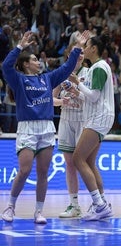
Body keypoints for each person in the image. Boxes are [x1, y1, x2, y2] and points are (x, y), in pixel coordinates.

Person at [1, 30, 86, 224]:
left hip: (47, 128)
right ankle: (10, 207)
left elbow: (66, 69)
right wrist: (20, 47)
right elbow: (6, 66)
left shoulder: (47, 78)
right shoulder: (19, 80)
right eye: (34, 59)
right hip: (27, 128)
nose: (38, 61)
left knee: (42, 172)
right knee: (24, 170)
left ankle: (38, 211)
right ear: (25, 64)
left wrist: (77, 48)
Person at [67, 33, 114, 221]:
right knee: (89, 161)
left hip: (99, 117)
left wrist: (78, 83)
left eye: (86, 46)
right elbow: (91, 96)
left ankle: (99, 205)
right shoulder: (99, 67)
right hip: (100, 116)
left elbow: (94, 96)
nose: (83, 49)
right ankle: (101, 202)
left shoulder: (99, 67)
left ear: (94, 49)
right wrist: (76, 91)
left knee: (78, 159)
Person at [52, 44, 88, 218]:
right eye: (77, 52)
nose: (80, 55)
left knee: (86, 163)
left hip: (83, 119)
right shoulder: (61, 73)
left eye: (82, 52)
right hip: (66, 119)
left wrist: (77, 88)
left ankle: (98, 202)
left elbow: (93, 99)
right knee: (69, 163)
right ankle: (74, 205)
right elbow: (50, 99)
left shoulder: (89, 72)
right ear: (69, 54)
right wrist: (62, 102)